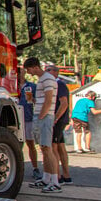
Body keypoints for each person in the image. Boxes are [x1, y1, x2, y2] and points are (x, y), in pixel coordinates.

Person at [24, 57, 61, 193]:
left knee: (47, 148)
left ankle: (55, 182)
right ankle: (46, 178)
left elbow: (49, 99)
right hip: (42, 115)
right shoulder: (43, 79)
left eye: (28, 69)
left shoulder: (47, 79)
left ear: (35, 67)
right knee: (44, 148)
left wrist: (41, 116)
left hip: (45, 117)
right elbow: (43, 99)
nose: (28, 72)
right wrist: (33, 100)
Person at [46, 64, 72, 184]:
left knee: (53, 147)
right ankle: (66, 175)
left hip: (58, 120)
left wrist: (55, 118)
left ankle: (57, 176)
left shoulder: (58, 84)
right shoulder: (56, 84)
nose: (46, 72)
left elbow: (64, 103)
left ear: (55, 72)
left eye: (48, 70)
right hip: (60, 119)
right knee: (61, 146)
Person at [17, 67, 42, 181]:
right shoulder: (11, 86)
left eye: (21, 72)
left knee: (31, 144)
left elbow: (37, 101)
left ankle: (35, 168)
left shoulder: (31, 86)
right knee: (17, 145)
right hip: (16, 120)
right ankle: (18, 169)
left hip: (28, 118)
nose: (18, 74)